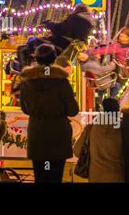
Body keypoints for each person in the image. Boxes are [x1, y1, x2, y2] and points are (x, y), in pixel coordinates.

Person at [20, 44, 79, 183]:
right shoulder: (61, 82)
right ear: (54, 59)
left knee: (40, 176)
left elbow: (25, 108)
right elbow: (73, 110)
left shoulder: (28, 82)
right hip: (58, 133)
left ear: (37, 59)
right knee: (56, 176)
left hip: (38, 132)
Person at [73, 98, 124, 182]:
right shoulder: (123, 127)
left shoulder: (91, 127)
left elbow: (77, 151)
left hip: (96, 176)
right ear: (117, 110)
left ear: (103, 110)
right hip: (118, 175)